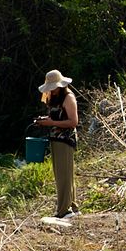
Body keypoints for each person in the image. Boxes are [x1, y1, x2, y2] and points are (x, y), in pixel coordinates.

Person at [35, 70, 80, 219]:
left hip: (65, 140)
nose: (51, 91)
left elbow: (73, 122)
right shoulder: (54, 98)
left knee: (64, 176)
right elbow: (56, 116)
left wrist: (52, 122)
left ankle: (64, 210)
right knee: (62, 174)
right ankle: (72, 207)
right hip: (55, 139)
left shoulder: (68, 98)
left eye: (53, 87)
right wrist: (44, 120)